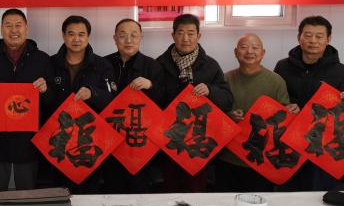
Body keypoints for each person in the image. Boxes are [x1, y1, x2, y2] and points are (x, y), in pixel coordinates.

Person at [273, 15, 344, 192]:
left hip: (322, 145)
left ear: (328, 39)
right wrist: (286, 106)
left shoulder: (342, 72)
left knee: (319, 192)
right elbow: (275, 100)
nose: (313, 41)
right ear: (299, 37)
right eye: (308, 35)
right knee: (288, 191)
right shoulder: (282, 67)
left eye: (319, 36)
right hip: (289, 141)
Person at [153, 13, 233, 192]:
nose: (186, 38)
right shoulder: (159, 64)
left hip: (198, 140)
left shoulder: (210, 65)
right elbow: (154, 99)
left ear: (199, 35)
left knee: (196, 189)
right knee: (169, 187)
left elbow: (227, 100)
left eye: (190, 33)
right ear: (173, 35)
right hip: (169, 138)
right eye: (180, 33)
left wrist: (211, 91)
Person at [0, 8, 52, 192]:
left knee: (28, 194)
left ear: (27, 28)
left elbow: (52, 100)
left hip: (29, 140)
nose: (13, 30)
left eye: (18, 25)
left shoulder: (42, 59)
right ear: (1, 29)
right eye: (8, 25)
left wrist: (45, 90)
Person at [45, 15, 117, 193]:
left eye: (81, 34)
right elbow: (45, 101)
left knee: (88, 191)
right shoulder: (50, 63)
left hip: (88, 140)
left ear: (88, 36)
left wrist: (93, 93)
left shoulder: (102, 65)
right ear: (63, 36)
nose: (76, 39)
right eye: (71, 34)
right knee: (58, 190)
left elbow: (112, 99)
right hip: (59, 139)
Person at [217, 34, 290, 193]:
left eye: (255, 48)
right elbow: (214, 115)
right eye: (244, 47)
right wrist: (229, 116)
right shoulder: (224, 79)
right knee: (225, 203)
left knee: (258, 203)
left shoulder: (276, 81)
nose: (249, 51)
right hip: (228, 156)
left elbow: (284, 120)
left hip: (262, 160)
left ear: (263, 53)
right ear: (236, 52)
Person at [102, 18, 163, 193]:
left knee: (139, 188)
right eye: (123, 36)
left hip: (139, 141)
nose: (128, 40)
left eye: (134, 35)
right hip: (111, 138)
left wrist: (151, 86)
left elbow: (164, 99)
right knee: (112, 187)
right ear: (115, 39)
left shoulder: (152, 65)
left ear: (141, 38)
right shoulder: (103, 64)